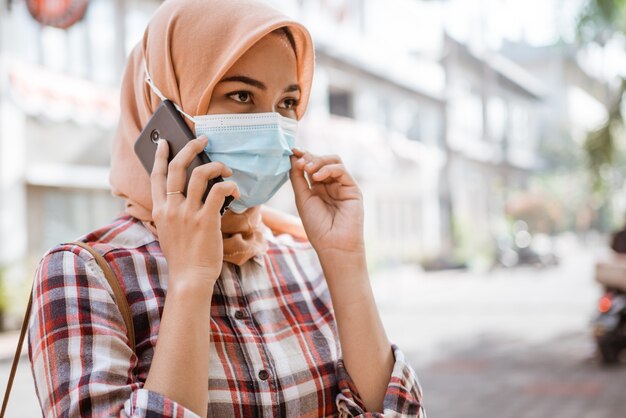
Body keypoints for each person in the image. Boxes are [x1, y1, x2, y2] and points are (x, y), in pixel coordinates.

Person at [27, 0, 425, 416]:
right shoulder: (81, 276)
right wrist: (190, 282)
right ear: (162, 111)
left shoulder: (304, 260)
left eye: (287, 103)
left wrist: (346, 264)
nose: (272, 127)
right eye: (241, 95)